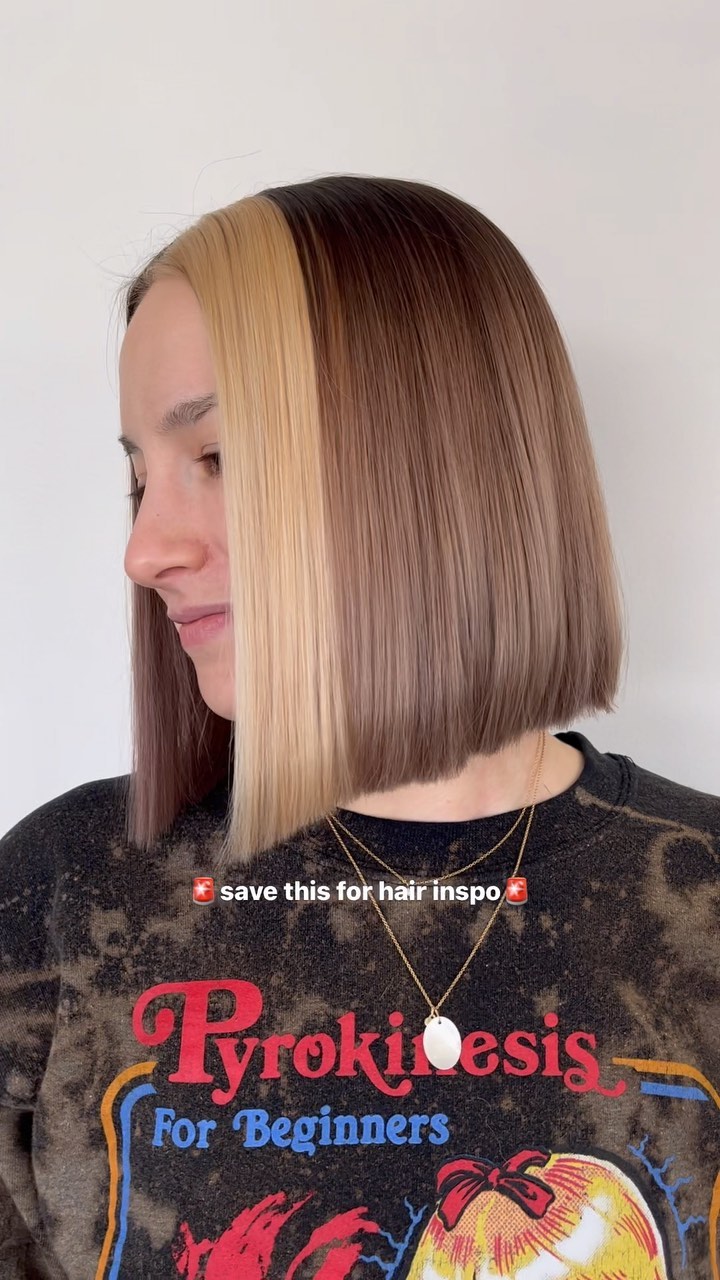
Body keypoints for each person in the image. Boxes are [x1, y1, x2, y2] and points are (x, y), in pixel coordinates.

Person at [0, 174, 717, 1280]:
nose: (144, 552)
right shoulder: (62, 897)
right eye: (139, 480)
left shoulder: (698, 900)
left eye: (216, 458)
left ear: (431, 468)